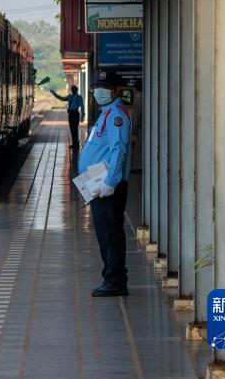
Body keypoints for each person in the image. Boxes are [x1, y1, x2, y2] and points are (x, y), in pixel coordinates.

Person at [79, 69, 132, 297]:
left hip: (108, 186)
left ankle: (115, 280)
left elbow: (118, 150)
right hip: (96, 183)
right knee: (104, 234)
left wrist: (110, 182)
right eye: (96, 88)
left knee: (110, 234)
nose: (99, 92)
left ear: (116, 90)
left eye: (105, 88)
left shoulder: (117, 115)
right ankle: (111, 276)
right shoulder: (106, 112)